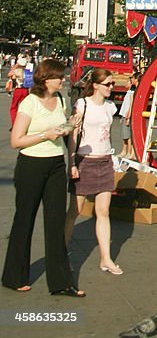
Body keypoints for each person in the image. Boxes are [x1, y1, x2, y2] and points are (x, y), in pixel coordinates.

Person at [2, 58, 84, 297]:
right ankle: (14, 276)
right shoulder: (30, 102)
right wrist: (44, 135)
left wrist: (70, 129)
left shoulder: (59, 100)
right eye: (58, 76)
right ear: (45, 79)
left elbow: (63, 134)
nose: (63, 79)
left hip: (56, 164)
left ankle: (60, 282)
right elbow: (17, 140)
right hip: (31, 165)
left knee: (56, 222)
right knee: (24, 219)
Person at [65, 68, 122, 276]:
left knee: (104, 211)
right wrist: (72, 163)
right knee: (75, 211)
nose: (112, 88)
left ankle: (106, 258)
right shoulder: (82, 104)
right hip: (85, 161)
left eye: (113, 83)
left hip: (105, 161)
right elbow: (73, 135)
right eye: (108, 84)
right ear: (96, 85)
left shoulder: (110, 107)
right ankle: (62, 253)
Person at [118, 74, 138, 160]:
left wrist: (128, 116)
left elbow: (130, 105)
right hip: (124, 114)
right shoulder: (129, 92)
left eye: (129, 81)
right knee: (124, 136)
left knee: (128, 136)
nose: (126, 83)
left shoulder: (132, 93)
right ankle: (125, 151)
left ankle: (130, 152)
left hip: (126, 115)